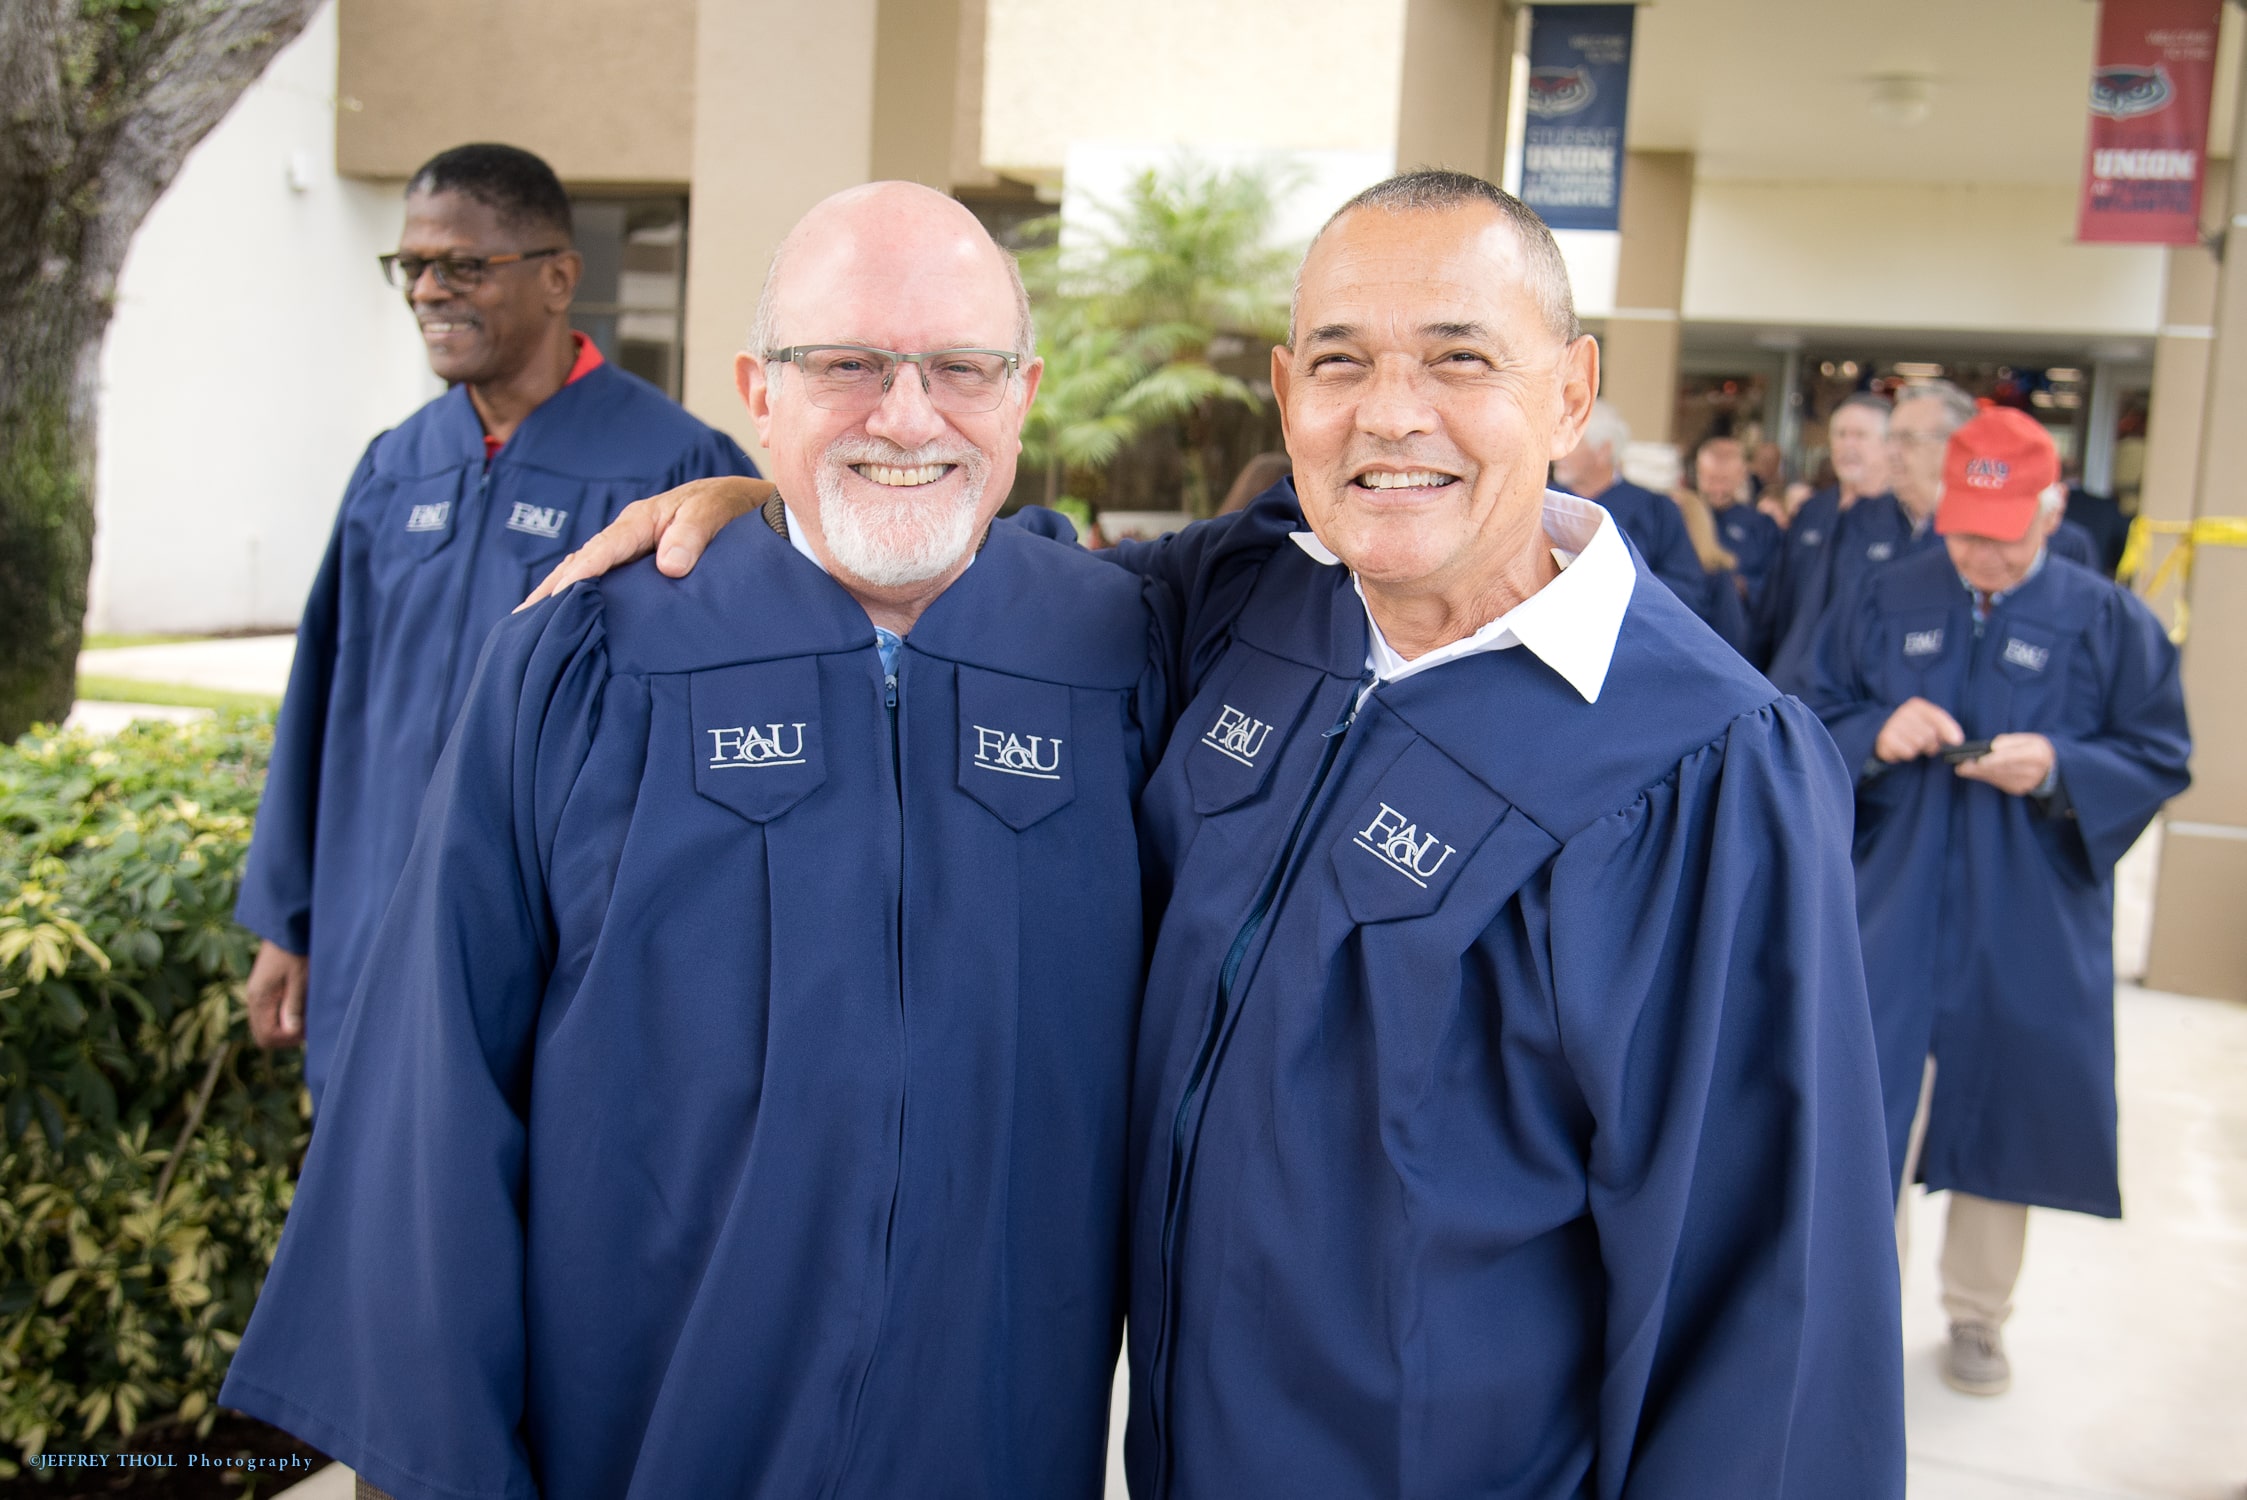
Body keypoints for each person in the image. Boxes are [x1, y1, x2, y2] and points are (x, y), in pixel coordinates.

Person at [554, 170, 1908, 1497]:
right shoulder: (1247, 609)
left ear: (1568, 389)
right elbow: (973, 577)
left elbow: (1767, 1307)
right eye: (1337, 362)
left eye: (1457, 359)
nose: (1390, 413)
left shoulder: (1691, 764)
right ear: (1284, 394)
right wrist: (769, 520)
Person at [220, 182, 1168, 1500]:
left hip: (996, 1431)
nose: (906, 415)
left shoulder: (1122, 652)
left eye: (961, 368)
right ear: (758, 390)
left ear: (1022, 391)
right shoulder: (589, 651)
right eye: (843, 366)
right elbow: (433, 1086)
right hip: (648, 1435)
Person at [231, 143, 756, 1104]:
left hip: (553, 941)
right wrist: (289, 919)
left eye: (463, 265)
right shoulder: (397, 466)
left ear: (558, 278)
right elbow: (320, 696)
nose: (430, 289)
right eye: (413, 266)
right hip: (367, 919)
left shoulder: (671, 462)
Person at [1801, 407, 2190, 1399]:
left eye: (2004, 535)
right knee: (1863, 1104)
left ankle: (1978, 1316)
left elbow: (2158, 754)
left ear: (2052, 513)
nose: (1980, 553)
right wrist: (1874, 731)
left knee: (2001, 1105)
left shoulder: (2107, 620)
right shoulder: (1883, 594)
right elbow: (1796, 713)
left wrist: (2061, 765)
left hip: (2027, 905)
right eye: (1966, 530)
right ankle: (1856, 1311)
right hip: (1889, 898)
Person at [1550, 399, 1724, 631]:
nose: (1558, 453)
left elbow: (1689, 593)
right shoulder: (1542, 501)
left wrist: (1616, 582)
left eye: (1572, 442)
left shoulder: (1656, 511)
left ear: (1603, 450)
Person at [1754, 391, 1890, 668]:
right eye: (1840, 434)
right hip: (1792, 680)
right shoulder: (1812, 511)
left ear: (1889, 444)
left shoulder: (1901, 521)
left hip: (1856, 689)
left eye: (1860, 435)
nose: (1847, 445)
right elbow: (1775, 604)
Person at [1691, 433, 1781, 604]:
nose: (1717, 489)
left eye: (1725, 480)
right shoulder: (1681, 517)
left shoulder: (1762, 527)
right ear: (1698, 473)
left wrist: (1743, 586)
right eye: (1710, 479)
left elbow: (1774, 583)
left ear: (1741, 476)